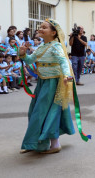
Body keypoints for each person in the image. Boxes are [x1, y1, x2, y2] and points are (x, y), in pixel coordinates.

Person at [18, 19, 76, 154]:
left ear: (53, 32)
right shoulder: (42, 47)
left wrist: (67, 75)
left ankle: (54, 144)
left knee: (47, 113)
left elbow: (63, 61)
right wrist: (22, 54)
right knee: (35, 112)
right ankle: (35, 143)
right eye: (40, 26)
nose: (40, 28)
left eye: (44, 27)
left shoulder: (55, 46)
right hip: (42, 83)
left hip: (53, 83)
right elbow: (30, 60)